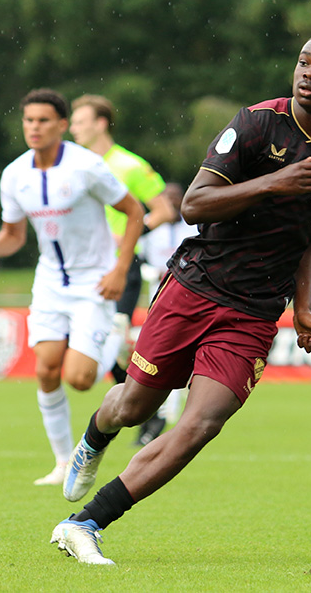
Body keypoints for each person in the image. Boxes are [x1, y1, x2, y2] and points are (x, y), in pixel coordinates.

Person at [49, 32, 311, 565]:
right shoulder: (256, 124)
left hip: (256, 311)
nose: (309, 73)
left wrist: (304, 306)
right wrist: (272, 183)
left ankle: (84, 524)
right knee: (132, 405)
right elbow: (194, 205)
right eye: (304, 62)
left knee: (201, 424)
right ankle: (94, 439)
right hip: (194, 288)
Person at [0, 88, 145, 487]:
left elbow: (134, 211)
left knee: (79, 379)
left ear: (62, 125)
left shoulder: (87, 166)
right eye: (29, 120)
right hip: (49, 282)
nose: (35, 127)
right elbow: (13, 235)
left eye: (44, 120)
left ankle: (113, 341)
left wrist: (119, 269)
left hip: (94, 282)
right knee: (46, 370)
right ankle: (64, 462)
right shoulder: (14, 174)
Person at [69, 94, 177, 444]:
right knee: (108, 348)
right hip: (81, 269)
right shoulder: (71, 165)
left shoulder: (129, 165)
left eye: (79, 121)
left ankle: (149, 408)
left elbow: (163, 212)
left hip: (122, 267)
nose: (72, 127)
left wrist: (127, 235)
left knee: (110, 343)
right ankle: (147, 409)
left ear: (100, 123)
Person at [132, 182, 200, 443]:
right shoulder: (151, 225)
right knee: (158, 353)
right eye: (166, 198)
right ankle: (159, 406)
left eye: (175, 197)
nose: (171, 202)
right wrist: (144, 269)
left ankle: (174, 406)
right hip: (157, 298)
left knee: (183, 352)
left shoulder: (192, 225)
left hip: (188, 296)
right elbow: (137, 254)